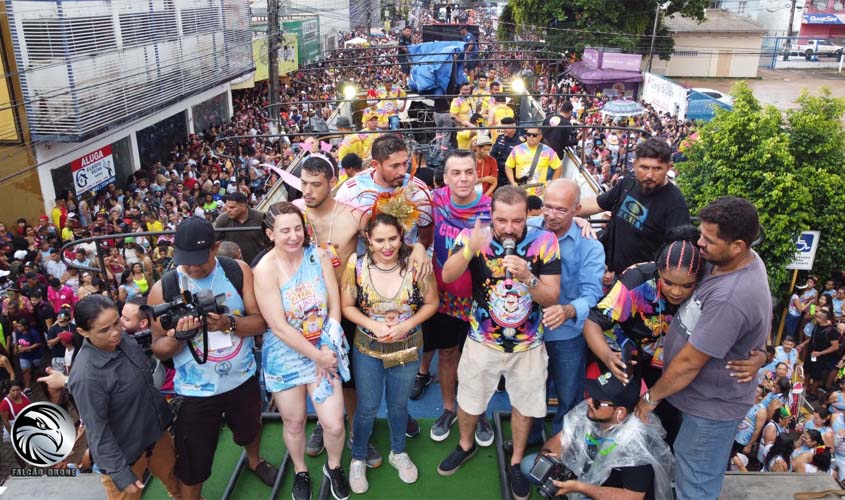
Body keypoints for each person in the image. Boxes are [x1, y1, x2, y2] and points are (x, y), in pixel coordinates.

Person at [635, 197, 771, 500]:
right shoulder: (737, 260)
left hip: (711, 409)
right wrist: (762, 352)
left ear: (737, 245)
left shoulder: (730, 296)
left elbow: (688, 364)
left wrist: (650, 398)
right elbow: (759, 321)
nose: (700, 243)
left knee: (695, 486)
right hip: (697, 399)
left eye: (708, 239)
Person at [437, 186, 561, 500]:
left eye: (517, 221)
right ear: (491, 215)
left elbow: (551, 296)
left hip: (529, 345)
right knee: (469, 399)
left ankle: (517, 461)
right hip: (482, 340)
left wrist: (529, 277)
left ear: (527, 216)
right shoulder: (472, 236)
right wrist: (468, 249)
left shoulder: (545, 242)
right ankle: (465, 445)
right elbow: (449, 276)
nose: (509, 228)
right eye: (502, 220)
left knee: (524, 405)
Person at [149, 217, 278, 499]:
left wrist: (226, 324)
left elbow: (260, 323)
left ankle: (254, 460)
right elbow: (157, 347)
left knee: (250, 429)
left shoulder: (237, 271)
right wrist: (179, 337)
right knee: (193, 459)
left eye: (200, 259)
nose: (193, 267)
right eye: (186, 260)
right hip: (195, 392)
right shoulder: (164, 288)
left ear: (216, 247)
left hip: (241, 378)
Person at [253, 202, 350, 500]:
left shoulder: (318, 256)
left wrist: (325, 346)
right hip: (286, 355)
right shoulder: (265, 269)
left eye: (298, 228)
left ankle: (334, 466)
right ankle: (300, 469)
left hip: (324, 346)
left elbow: (334, 304)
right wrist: (316, 356)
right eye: (285, 231)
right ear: (270, 233)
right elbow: (278, 326)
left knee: (333, 424)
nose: (294, 236)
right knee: (293, 422)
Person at [341, 213, 439, 494]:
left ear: (402, 237)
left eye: (393, 238)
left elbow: (432, 302)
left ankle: (398, 451)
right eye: (380, 240)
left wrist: (407, 324)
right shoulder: (356, 267)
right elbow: (347, 306)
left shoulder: (417, 265)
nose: (387, 246)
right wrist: (372, 324)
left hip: (408, 347)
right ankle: (358, 457)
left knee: (398, 405)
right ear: (368, 241)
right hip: (368, 348)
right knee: (367, 406)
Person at [68, 295, 181, 500]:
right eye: (104, 330)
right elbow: (97, 431)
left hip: (155, 434)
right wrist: (119, 473)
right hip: (125, 455)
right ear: (83, 332)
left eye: (116, 322)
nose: (115, 333)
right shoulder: (86, 376)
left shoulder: (124, 339)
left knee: (176, 481)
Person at [418, 150, 493, 445]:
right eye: (456, 173)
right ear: (445, 177)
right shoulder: (433, 202)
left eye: (468, 172)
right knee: (447, 355)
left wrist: (578, 221)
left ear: (476, 175)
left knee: (482, 361)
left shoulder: (491, 208)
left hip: (481, 300)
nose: (463, 178)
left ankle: (480, 410)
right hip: (443, 295)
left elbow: (530, 223)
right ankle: (449, 408)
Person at [521, 372, 674, 500]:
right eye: (591, 395)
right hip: (586, 475)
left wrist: (580, 488)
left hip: (610, 492)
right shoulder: (591, 412)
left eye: (597, 402)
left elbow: (632, 496)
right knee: (531, 465)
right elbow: (561, 438)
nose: (589, 402)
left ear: (620, 412)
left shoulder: (637, 443)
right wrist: (547, 457)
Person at [530, 179, 605, 433]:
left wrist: (567, 311)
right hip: (527, 332)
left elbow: (593, 293)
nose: (551, 215)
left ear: (577, 209)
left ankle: (561, 448)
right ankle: (530, 436)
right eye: (547, 206)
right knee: (529, 391)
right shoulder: (527, 229)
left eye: (561, 210)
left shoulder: (590, 245)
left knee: (569, 396)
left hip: (567, 334)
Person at [578, 137, 691, 276]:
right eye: (644, 167)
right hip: (610, 273)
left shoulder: (675, 205)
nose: (649, 175)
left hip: (642, 284)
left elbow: (678, 256)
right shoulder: (629, 182)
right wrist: (563, 211)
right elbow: (597, 203)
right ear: (635, 164)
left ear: (668, 167)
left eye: (657, 169)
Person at [504, 127, 562, 196]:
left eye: (534, 135)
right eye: (529, 134)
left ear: (540, 136)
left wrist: (550, 186)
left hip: (539, 192)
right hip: (520, 191)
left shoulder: (548, 151)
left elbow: (559, 167)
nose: (531, 137)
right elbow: (508, 166)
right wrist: (513, 182)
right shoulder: (517, 149)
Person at [799, 306, 839, 402]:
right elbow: (811, 338)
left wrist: (820, 353)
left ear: (822, 319)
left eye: (816, 316)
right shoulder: (816, 326)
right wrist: (802, 344)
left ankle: (814, 393)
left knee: (816, 376)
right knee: (807, 370)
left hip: (821, 357)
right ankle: (806, 388)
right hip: (811, 353)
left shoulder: (831, 331)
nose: (814, 317)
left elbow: (835, 347)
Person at [214, 192, 265, 265]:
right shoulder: (223, 220)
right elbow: (215, 242)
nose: (228, 210)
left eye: (232, 207)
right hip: (233, 265)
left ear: (243, 207)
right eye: (227, 207)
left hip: (259, 264)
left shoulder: (260, 218)